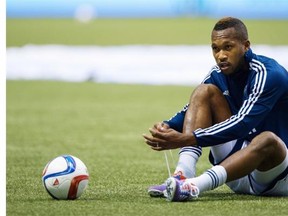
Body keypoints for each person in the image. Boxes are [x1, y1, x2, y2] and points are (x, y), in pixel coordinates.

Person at [143, 17, 288, 201]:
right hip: (235, 169)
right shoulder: (217, 73)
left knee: (267, 139)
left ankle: (194, 186)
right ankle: (182, 176)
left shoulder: (268, 74)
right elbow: (191, 109)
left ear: (246, 46)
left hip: (276, 177)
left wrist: (188, 138)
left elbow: (242, 123)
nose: (221, 55)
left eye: (228, 47)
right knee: (204, 92)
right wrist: (167, 126)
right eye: (215, 48)